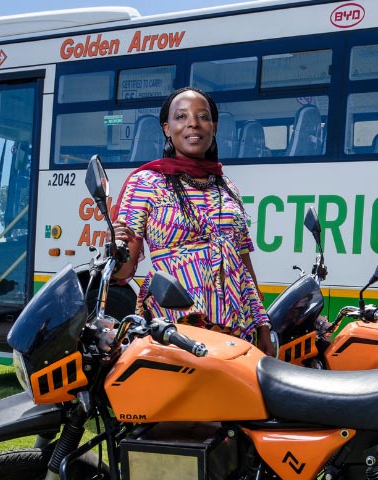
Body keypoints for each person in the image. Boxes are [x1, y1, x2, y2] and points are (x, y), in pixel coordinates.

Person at [110, 86, 277, 356]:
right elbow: (121, 271)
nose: (193, 124)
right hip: (176, 326)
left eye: (202, 116)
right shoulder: (145, 183)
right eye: (181, 117)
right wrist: (113, 246)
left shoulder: (228, 189)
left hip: (235, 324)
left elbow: (244, 265)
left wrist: (263, 325)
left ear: (214, 127)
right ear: (166, 128)